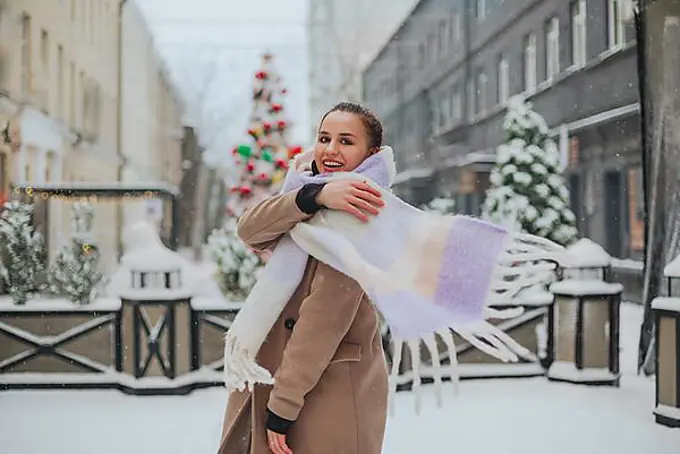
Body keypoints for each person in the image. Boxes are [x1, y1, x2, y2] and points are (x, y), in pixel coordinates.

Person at [217, 102, 390, 454]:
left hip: (328, 389)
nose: (330, 149)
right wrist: (313, 195)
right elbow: (250, 230)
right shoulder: (310, 192)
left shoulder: (362, 209)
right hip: (284, 376)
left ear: (371, 153)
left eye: (345, 141)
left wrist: (282, 407)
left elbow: (323, 320)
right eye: (324, 138)